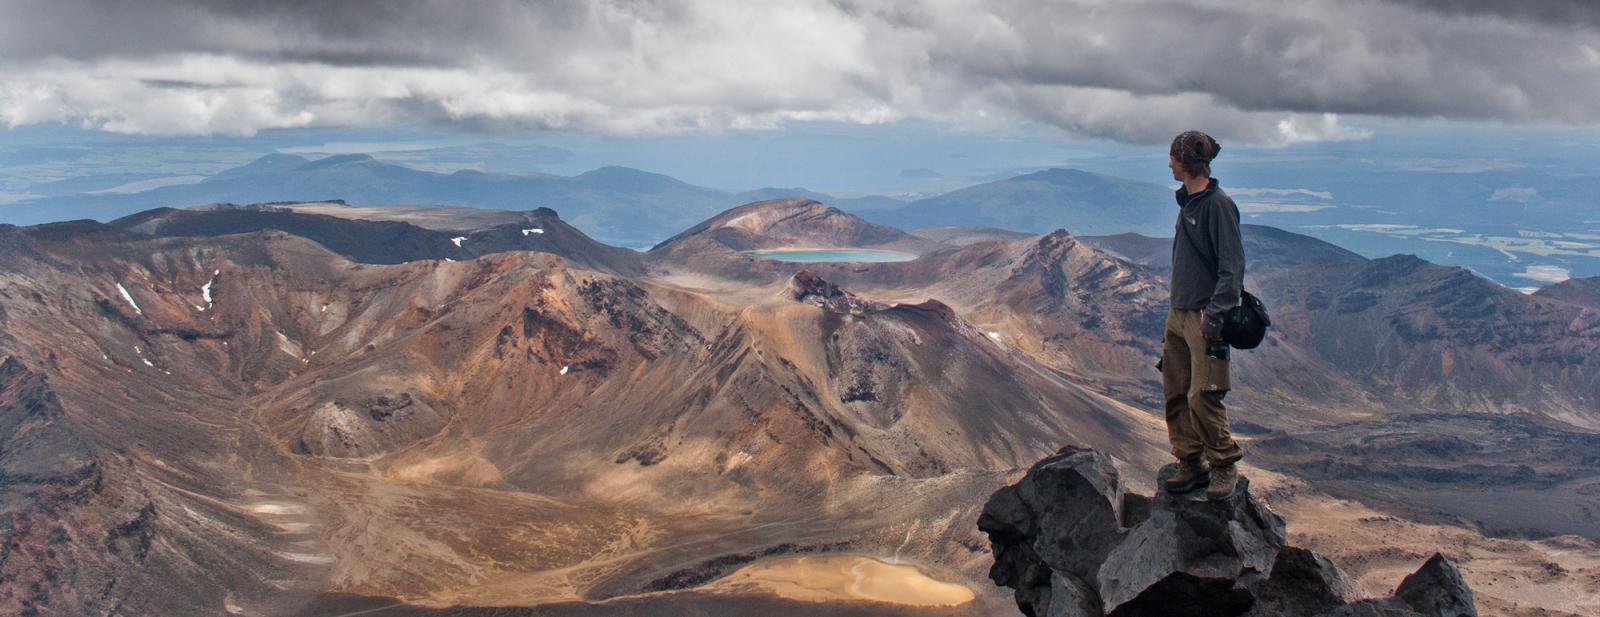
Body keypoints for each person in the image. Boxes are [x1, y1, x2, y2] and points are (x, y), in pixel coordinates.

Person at [1160, 130, 1245, 500]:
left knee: (1203, 394)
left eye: (1172, 158)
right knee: (1175, 390)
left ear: (1185, 161)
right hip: (1178, 311)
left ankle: (1223, 463)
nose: (1169, 164)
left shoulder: (1217, 206)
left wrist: (1215, 316)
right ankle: (1190, 460)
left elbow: (1232, 268)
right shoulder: (1189, 203)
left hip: (1202, 315)